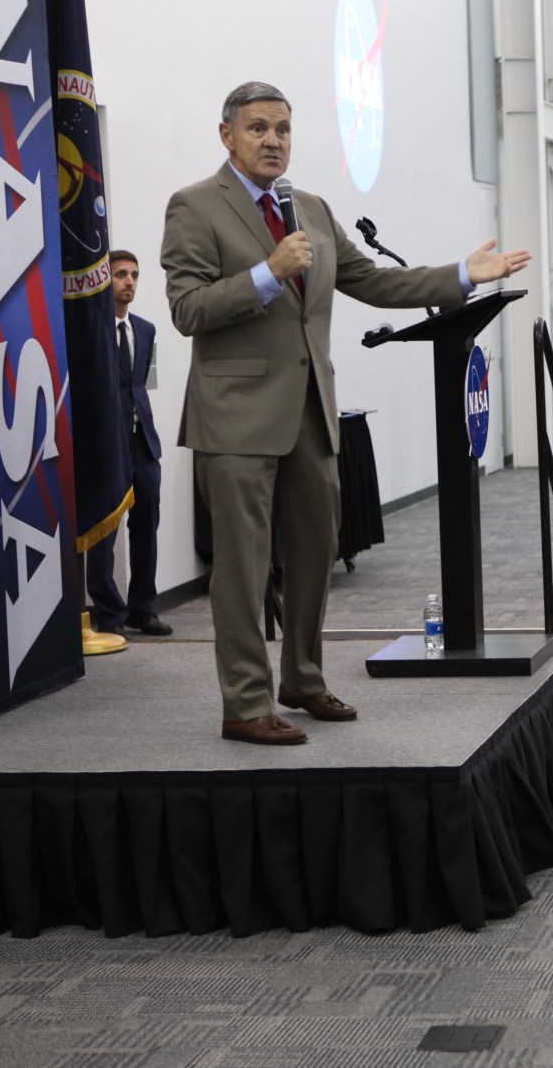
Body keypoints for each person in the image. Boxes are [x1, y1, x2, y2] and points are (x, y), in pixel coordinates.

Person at [161, 82, 527, 746]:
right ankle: (245, 703)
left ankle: (301, 676)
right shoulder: (194, 207)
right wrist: (268, 272)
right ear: (228, 136)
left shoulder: (311, 209)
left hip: (310, 412)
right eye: (258, 129)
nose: (273, 140)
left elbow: (378, 284)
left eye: (283, 129)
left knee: (314, 549)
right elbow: (188, 308)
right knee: (243, 567)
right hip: (235, 415)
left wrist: (465, 276)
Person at [85, 250, 170, 637]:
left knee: (146, 523)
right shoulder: (93, 328)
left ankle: (142, 608)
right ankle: (108, 611)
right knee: (105, 524)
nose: (129, 281)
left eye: (134, 274)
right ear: (107, 281)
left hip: (142, 441)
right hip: (106, 440)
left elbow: (140, 385)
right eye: (120, 274)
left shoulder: (146, 329)